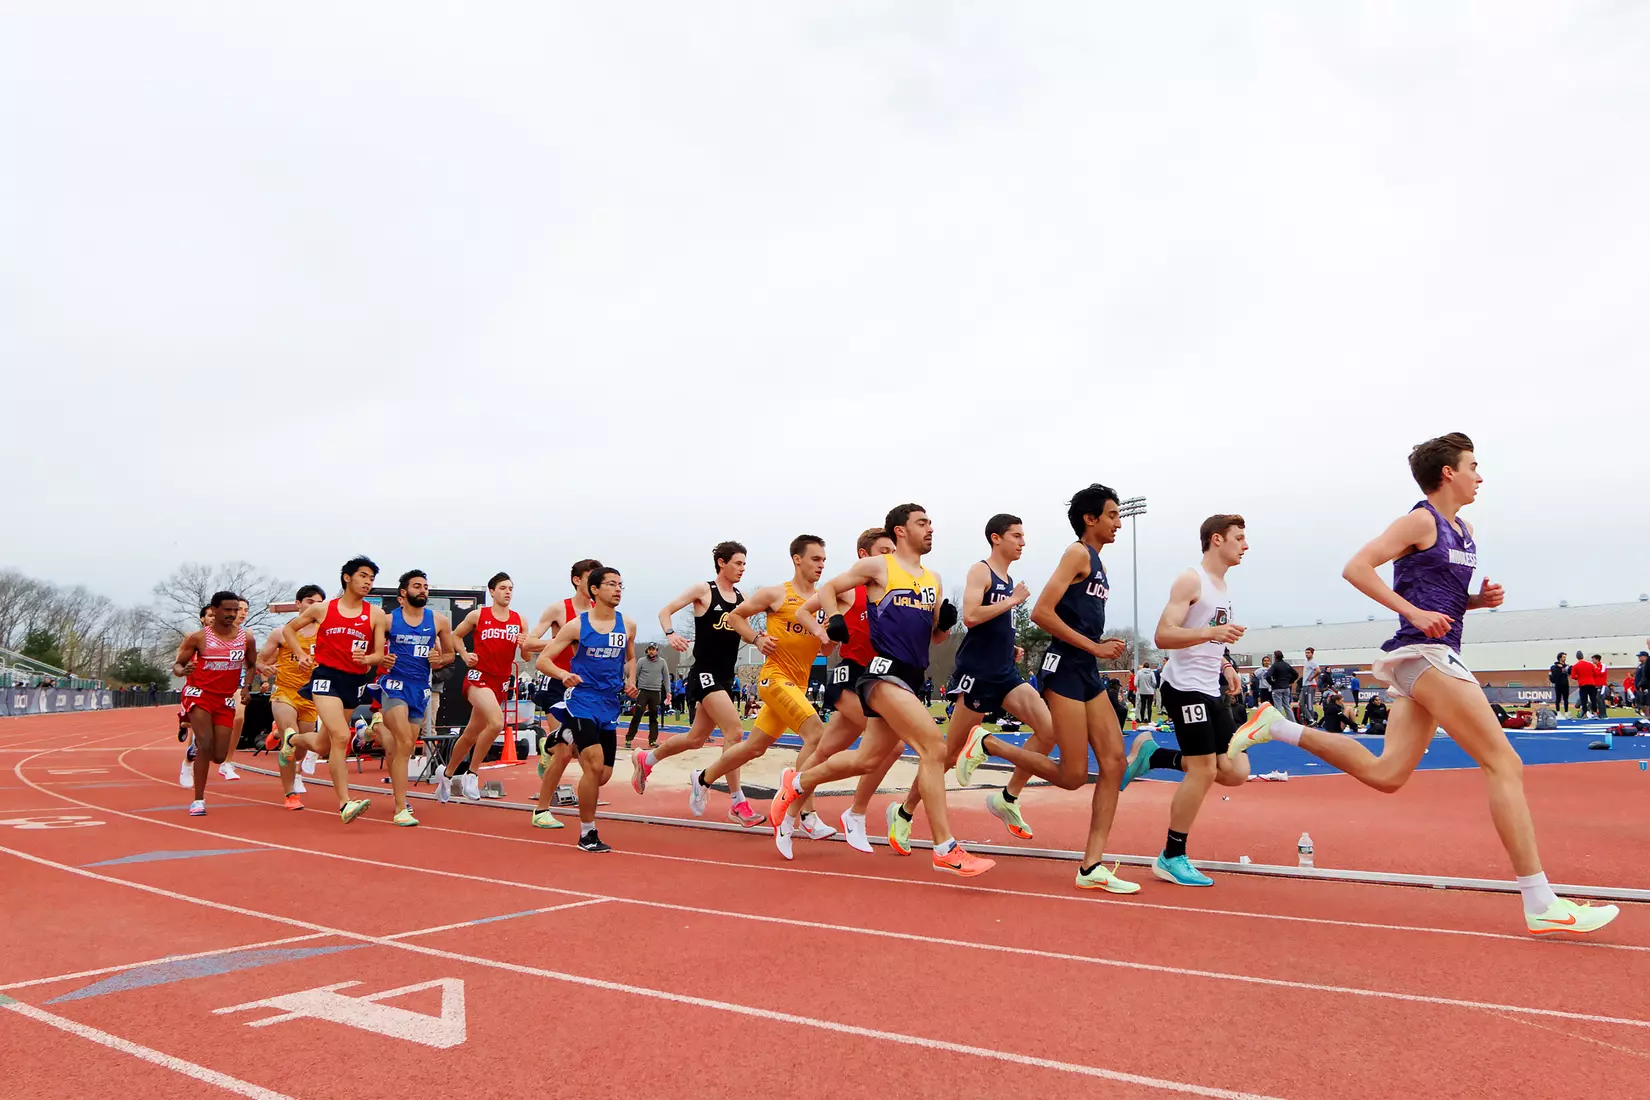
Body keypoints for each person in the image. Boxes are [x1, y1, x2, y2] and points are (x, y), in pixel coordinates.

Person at [1228, 432, 1618, 934]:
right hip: (1422, 655)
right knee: (1505, 763)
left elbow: (1441, 593)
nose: (1481, 475)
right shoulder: (1419, 520)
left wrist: (1477, 602)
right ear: (1448, 473)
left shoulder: (1465, 529)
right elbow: (1356, 567)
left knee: (1387, 774)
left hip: (1432, 656)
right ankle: (1540, 901)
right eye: (1474, 465)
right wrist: (1412, 611)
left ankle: (1277, 726)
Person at [768, 503, 994, 876]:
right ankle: (945, 848)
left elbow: (935, 639)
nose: (930, 528)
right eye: (922, 523)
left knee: (868, 759)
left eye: (931, 522)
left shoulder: (932, 578)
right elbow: (828, 588)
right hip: (879, 675)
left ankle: (799, 782)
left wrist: (946, 625)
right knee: (934, 748)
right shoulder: (879, 567)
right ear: (901, 531)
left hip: (912, 676)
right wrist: (834, 621)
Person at [903, 513, 1084, 855]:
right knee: (946, 755)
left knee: (1049, 731)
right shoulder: (981, 570)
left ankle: (1007, 797)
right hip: (978, 674)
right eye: (1016, 535)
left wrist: (1009, 642)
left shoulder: (1008, 577)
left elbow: (993, 623)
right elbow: (970, 616)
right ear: (996, 538)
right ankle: (904, 810)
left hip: (1005, 673)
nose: (1023, 542)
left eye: (1023, 535)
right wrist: (1014, 601)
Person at [1118, 514, 1252, 887]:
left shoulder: (1222, 585)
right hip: (1183, 688)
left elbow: (1209, 640)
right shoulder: (1191, 578)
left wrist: (1226, 664)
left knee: (1236, 771)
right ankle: (1171, 856)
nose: (1245, 545)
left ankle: (1154, 756)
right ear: (1216, 539)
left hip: (1210, 687)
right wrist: (1214, 631)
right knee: (1204, 770)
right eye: (1239, 538)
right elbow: (1164, 635)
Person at [695, 535, 839, 856]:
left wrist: (830, 640)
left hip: (798, 685)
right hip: (774, 679)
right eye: (815, 559)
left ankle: (703, 778)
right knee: (817, 734)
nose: (821, 566)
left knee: (754, 747)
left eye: (824, 561)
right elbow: (735, 617)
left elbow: (826, 646)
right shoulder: (776, 594)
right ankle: (806, 812)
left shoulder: (821, 601)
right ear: (797, 559)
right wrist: (757, 639)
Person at [635, 542, 760, 826]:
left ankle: (647, 760)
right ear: (721, 563)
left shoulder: (742, 598)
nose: (742, 569)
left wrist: (758, 637)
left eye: (744, 564)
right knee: (735, 731)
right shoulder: (703, 591)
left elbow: (746, 630)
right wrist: (670, 633)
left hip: (726, 676)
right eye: (738, 563)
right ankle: (737, 801)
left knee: (695, 739)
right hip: (704, 673)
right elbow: (665, 610)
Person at [804, 527, 898, 852]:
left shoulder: (891, 591)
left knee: (823, 752)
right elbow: (805, 609)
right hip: (848, 678)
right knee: (892, 746)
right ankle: (855, 812)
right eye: (884, 551)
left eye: (893, 551)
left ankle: (791, 800)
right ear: (864, 555)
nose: (891, 557)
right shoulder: (851, 587)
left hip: (875, 679)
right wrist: (825, 631)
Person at [533, 565, 636, 852]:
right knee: (592, 764)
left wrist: (630, 680)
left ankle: (562, 736)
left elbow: (630, 658)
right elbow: (543, 660)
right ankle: (587, 833)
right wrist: (563, 675)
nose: (617, 589)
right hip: (582, 700)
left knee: (603, 775)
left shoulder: (627, 624)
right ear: (594, 589)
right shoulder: (577, 625)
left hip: (609, 703)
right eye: (611, 584)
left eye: (620, 585)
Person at [277, 557, 384, 825]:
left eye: (371, 578)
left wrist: (367, 659)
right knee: (339, 736)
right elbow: (289, 629)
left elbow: (379, 654)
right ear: (347, 578)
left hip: (354, 681)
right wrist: (301, 653)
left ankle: (292, 741)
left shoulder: (375, 615)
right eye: (363, 576)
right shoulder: (323, 609)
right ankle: (345, 803)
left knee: (323, 743)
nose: (368, 582)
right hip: (326, 677)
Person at [443, 573, 543, 802]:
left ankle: (447, 775)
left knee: (470, 733)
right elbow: (455, 636)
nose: (507, 592)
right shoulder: (479, 615)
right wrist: (465, 654)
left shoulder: (520, 620)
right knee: (497, 722)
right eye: (502, 588)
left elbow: (527, 656)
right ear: (492, 591)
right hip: (478, 677)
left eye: (510, 588)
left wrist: (524, 646)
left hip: (500, 680)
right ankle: (472, 773)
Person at [376, 570, 461, 827]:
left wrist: (438, 660)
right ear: (403, 593)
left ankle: (377, 731)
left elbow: (449, 655)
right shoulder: (389, 621)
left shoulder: (438, 621)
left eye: (425, 586)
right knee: (404, 742)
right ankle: (402, 807)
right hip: (394, 686)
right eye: (417, 586)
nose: (423, 590)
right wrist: (382, 658)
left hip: (420, 689)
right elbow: (373, 653)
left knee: (402, 747)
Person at [527, 559, 602, 830]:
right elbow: (529, 643)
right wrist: (563, 640)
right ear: (577, 580)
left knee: (590, 761)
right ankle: (541, 810)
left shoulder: (601, 612)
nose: (597, 583)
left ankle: (549, 742)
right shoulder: (560, 609)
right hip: (557, 682)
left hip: (585, 688)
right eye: (591, 577)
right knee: (565, 749)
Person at [172, 591, 257, 816]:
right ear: (214, 610)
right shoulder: (198, 638)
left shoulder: (246, 637)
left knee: (219, 756)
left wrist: (247, 687)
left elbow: (251, 665)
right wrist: (184, 671)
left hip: (225, 698)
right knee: (206, 743)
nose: (232, 614)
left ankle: (195, 750)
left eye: (235, 610)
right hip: (199, 694)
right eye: (227, 610)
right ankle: (198, 800)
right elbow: (177, 665)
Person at [260, 584, 325, 809]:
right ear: (299, 604)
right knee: (290, 738)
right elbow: (261, 660)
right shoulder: (281, 632)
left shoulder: (326, 633)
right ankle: (290, 794)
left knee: (301, 747)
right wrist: (264, 670)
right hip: (285, 692)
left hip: (311, 696)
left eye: (319, 603)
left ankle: (276, 732)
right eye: (310, 602)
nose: (315, 607)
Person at [626, 642, 671, 750]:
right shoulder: (642, 661)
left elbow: (666, 677)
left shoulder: (662, 662)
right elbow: (635, 675)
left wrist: (668, 691)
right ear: (647, 650)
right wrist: (632, 686)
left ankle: (652, 740)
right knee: (637, 715)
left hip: (655, 692)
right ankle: (629, 738)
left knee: (654, 717)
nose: (651, 651)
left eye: (653, 649)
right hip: (643, 691)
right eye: (650, 649)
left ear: (657, 651)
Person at [1267, 650, 1297, 716]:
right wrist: (1290, 681)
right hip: (1286, 687)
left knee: (1278, 706)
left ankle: (1279, 722)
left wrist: (1272, 683)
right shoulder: (1286, 665)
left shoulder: (1275, 665)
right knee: (1287, 706)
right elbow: (1296, 674)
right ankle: (1292, 721)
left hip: (1277, 687)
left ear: (1275, 657)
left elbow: (1268, 675)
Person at [1299, 647, 1320, 723]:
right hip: (1305, 685)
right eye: (1306, 653)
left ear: (1312, 653)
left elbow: (1318, 670)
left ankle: (1312, 720)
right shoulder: (1306, 662)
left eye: (1308, 653)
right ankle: (1310, 719)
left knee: (1309, 705)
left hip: (1310, 686)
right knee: (1301, 704)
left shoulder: (1313, 662)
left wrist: (1312, 677)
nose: (1307, 654)